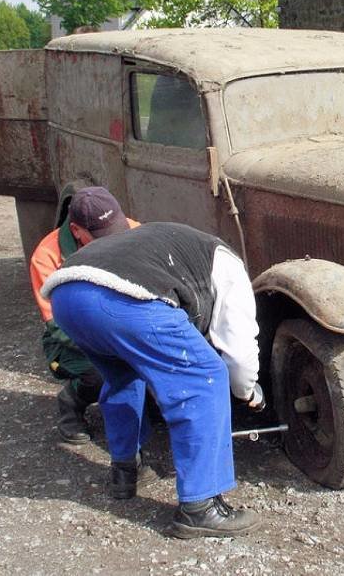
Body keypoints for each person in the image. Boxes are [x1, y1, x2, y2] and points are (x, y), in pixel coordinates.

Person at [40, 222, 264, 539]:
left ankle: (125, 472)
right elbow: (238, 352)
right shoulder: (231, 269)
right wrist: (249, 393)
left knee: (122, 375)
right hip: (120, 297)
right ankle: (201, 507)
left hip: (67, 294)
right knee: (205, 376)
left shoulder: (178, 245)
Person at [29, 187, 139, 444]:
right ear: (77, 231)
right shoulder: (46, 258)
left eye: (116, 231)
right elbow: (57, 326)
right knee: (102, 370)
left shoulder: (135, 230)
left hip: (121, 323)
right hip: (71, 336)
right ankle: (72, 401)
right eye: (102, 235)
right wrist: (114, 348)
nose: (114, 240)